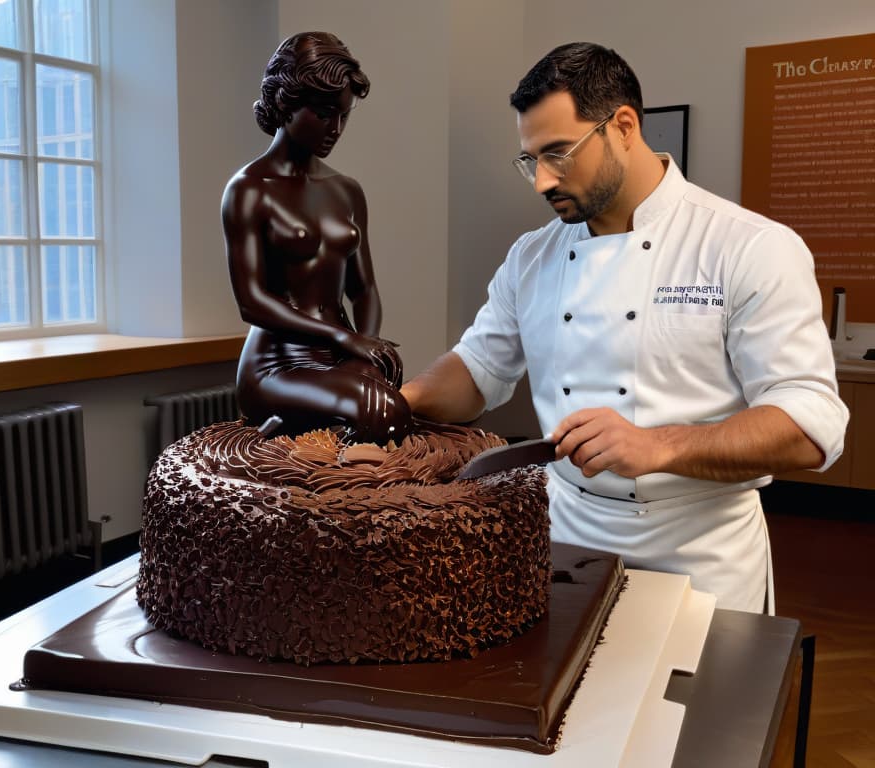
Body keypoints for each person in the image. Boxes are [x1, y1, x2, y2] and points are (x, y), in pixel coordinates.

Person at [401, 42, 849, 613]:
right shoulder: (531, 256)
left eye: (559, 153)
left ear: (625, 126)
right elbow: (477, 370)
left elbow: (810, 424)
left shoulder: (749, 247)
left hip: (700, 558)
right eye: (529, 159)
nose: (542, 181)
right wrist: (397, 400)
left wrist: (657, 444)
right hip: (564, 539)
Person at [222, 31, 411, 444]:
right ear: (287, 105)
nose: (336, 128)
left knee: (390, 399)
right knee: (383, 411)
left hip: (341, 354)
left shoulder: (347, 190)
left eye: (344, 115)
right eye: (324, 114)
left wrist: (368, 348)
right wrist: (345, 338)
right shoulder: (249, 189)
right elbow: (251, 302)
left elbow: (364, 290)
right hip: (276, 367)